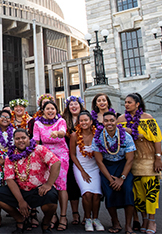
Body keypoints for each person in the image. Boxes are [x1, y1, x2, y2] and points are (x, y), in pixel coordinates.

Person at [0, 129, 60, 234]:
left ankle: (46, 224)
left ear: (29, 138)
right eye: (17, 139)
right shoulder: (10, 156)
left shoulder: (39, 149)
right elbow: (9, 179)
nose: (21, 141)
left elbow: (56, 163)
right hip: (20, 190)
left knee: (51, 196)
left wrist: (48, 184)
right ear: (14, 141)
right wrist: (20, 201)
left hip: (39, 190)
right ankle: (20, 220)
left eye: (23, 138)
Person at [117, 93, 162, 234]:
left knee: (151, 191)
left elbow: (157, 139)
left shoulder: (148, 118)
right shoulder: (121, 119)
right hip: (132, 161)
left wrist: (158, 157)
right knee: (138, 194)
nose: (126, 104)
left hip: (148, 158)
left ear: (138, 104)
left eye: (129, 102)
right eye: (125, 102)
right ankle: (144, 219)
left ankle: (152, 220)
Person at [91, 112, 136, 234]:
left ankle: (128, 226)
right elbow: (99, 161)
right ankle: (115, 222)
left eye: (112, 120)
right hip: (107, 167)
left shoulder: (126, 136)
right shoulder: (98, 137)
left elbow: (130, 159)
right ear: (103, 122)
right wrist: (111, 180)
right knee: (109, 192)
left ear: (116, 121)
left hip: (123, 166)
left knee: (128, 190)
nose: (109, 123)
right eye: (106, 121)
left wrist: (121, 178)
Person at [33, 100, 69, 231]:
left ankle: (64, 216)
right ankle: (52, 215)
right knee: (49, 185)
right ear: (43, 111)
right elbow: (36, 141)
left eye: (53, 109)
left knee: (61, 185)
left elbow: (63, 132)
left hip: (61, 155)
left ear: (56, 110)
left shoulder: (61, 121)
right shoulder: (37, 123)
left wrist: (57, 133)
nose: (50, 111)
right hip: (45, 155)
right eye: (47, 109)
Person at [70, 111, 104, 232]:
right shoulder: (74, 135)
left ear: (91, 122)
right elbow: (73, 155)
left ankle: (96, 218)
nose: (83, 123)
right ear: (78, 123)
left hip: (95, 167)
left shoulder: (98, 134)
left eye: (86, 120)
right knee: (87, 193)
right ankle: (88, 218)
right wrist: (82, 171)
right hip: (80, 167)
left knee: (96, 195)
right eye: (81, 121)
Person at [63, 95, 86, 226]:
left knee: (85, 186)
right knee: (72, 185)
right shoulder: (64, 120)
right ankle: (75, 213)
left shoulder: (86, 118)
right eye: (71, 105)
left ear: (80, 106)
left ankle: (88, 214)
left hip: (85, 155)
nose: (73, 106)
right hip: (69, 156)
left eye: (76, 104)